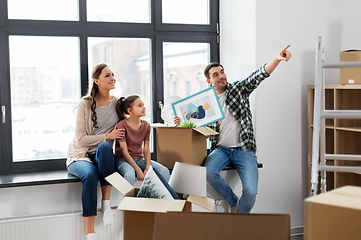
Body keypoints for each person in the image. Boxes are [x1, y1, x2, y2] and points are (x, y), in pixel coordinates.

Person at [175, 45, 292, 213]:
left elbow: (258, 75)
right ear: (209, 81)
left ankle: (238, 222)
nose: (221, 76)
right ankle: (233, 201)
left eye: (222, 72)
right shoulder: (205, 102)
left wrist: (278, 59)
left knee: (251, 192)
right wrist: (180, 121)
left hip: (244, 149)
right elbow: (193, 128)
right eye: (216, 75)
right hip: (221, 149)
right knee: (208, 172)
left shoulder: (238, 89)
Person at [67, 63, 124, 240]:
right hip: (80, 155)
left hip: (102, 155)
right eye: (107, 75)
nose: (112, 78)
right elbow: (81, 139)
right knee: (90, 176)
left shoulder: (117, 103)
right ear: (96, 80)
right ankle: (90, 232)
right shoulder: (85, 104)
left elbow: (134, 122)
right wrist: (108, 134)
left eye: (113, 74)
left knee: (107, 147)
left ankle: (106, 203)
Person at [114, 95, 170, 185]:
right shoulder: (121, 125)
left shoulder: (146, 125)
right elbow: (124, 151)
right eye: (140, 105)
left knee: (164, 171)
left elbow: (146, 149)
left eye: (143, 104)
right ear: (130, 110)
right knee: (129, 174)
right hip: (123, 160)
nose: (144, 107)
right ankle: (128, 199)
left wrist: (148, 167)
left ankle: (163, 198)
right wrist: (138, 170)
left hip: (140, 159)